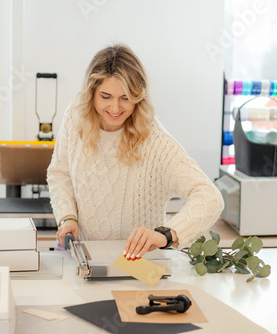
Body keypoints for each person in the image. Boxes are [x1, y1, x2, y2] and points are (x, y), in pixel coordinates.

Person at [47, 44, 224, 259]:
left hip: (139, 267)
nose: (115, 108)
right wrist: (68, 217)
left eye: (125, 97)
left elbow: (210, 197)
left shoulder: (156, 143)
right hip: (87, 259)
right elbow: (60, 173)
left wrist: (166, 234)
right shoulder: (75, 119)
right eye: (105, 96)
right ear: (91, 93)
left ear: (139, 96)